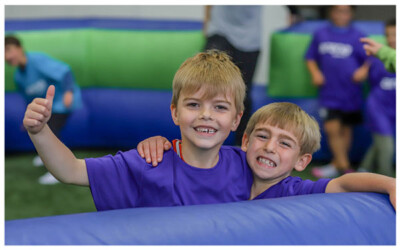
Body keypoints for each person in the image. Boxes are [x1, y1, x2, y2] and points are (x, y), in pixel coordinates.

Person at [22, 50, 253, 211]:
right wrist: (40, 131)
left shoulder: (247, 166)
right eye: (193, 104)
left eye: (220, 107)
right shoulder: (150, 161)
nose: (206, 115)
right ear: (175, 112)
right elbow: (71, 170)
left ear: (236, 120)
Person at [138, 102, 396, 209]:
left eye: (285, 143)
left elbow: (342, 183)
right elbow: (191, 154)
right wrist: (160, 143)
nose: (270, 147)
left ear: (302, 161)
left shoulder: (295, 190)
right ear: (246, 141)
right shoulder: (225, 164)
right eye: (262, 136)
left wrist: (391, 184)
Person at [5, 35, 82, 185]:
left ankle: (58, 170)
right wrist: (29, 115)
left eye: (8, 50)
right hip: (46, 107)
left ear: (20, 48)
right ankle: (45, 155)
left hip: (61, 103)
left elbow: (65, 71)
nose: (6, 56)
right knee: (37, 127)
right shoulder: (18, 77)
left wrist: (68, 91)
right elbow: (29, 100)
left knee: (51, 130)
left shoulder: (37, 60)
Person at [304, 5, 369, 178]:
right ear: (331, 12)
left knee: (345, 130)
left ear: (351, 14)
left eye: (345, 11)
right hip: (329, 93)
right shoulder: (321, 34)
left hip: (351, 93)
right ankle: (344, 166)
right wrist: (315, 72)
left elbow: (370, 58)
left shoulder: (358, 35)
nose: (341, 15)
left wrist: (363, 70)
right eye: (338, 10)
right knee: (332, 128)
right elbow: (310, 57)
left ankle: (336, 164)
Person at [204, 5, 262, 146]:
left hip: (249, 40)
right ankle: (204, 135)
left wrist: (293, 12)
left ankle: (241, 144)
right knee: (207, 82)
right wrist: (206, 21)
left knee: (243, 95)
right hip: (220, 31)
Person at [358, 19, 396, 177]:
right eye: (388, 34)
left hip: (394, 109)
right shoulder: (376, 57)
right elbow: (359, 77)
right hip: (378, 108)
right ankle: (388, 182)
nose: (392, 38)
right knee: (386, 147)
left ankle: (362, 170)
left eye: (395, 34)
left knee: (379, 143)